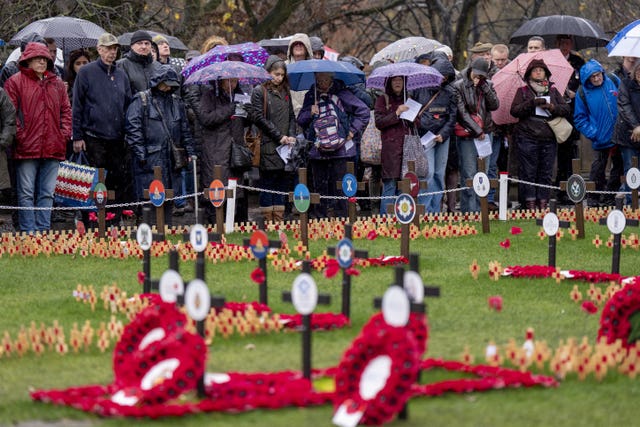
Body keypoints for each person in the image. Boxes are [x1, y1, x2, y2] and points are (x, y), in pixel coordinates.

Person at [4, 42, 71, 233]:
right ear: (28, 60)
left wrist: (63, 133)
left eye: (45, 59)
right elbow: (10, 114)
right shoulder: (15, 82)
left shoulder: (57, 83)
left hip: (53, 145)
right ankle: (28, 231)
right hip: (26, 146)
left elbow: (66, 110)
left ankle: (43, 230)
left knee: (47, 193)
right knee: (25, 192)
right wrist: (21, 135)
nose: (42, 62)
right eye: (38, 59)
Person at [72, 33, 132, 219]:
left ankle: (114, 218)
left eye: (114, 49)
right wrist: (78, 135)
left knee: (117, 181)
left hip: (117, 137)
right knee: (95, 182)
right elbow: (77, 105)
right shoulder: (86, 72)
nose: (111, 52)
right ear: (99, 49)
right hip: (93, 136)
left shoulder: (121, 74)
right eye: (107, 48)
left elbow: (128, 104)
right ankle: (91, 218)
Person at [125, 65, 195, 224]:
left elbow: (184, 129)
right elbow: (133, 127)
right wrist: (141, 153)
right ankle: (147, 229)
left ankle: (167, 228)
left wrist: (190, 152)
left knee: (169, 196)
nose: (168, 86)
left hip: (171, 159)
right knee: (149, 197)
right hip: (150, 157)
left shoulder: (176, 102)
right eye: (165, 82)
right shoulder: (141, 99)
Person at [298, 72, 369, 218]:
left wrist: (351, 132)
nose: (322, 83)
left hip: (341, 150)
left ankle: (343, 219)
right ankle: (320, 220)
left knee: (341, 188)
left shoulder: (343, 93)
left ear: (332, 79)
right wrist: (310, 112)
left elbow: (363, 112)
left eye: (325, 79)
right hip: (318, 151)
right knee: (320, 188)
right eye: (319, 80)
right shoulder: (311, 95)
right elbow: (301, 120)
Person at [510, 59, 570, 210]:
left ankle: (543, 202)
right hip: (527, 137)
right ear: (529, 74)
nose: (538, 72)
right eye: (535, 70)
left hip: (548, 137)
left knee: (546, 172)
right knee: (528, 172)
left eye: (541, 70)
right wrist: (532, 103)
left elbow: (566, 110)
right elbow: (514, 111)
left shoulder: (553, 90)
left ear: (546, 73)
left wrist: (552, 106)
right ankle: (529, 204)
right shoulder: (522, 91)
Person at [250, 56, 296, 222]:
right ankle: (268, 219)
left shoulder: (285, 91)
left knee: (282, 183)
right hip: (268, 145)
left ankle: (279, 218)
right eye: (276, 74)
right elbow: (259, 119)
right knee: (268, 183)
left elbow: (291, 115)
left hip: (285, 147)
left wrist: (290, 135)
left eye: (282, 75)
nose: (279, 77)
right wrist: (279, 136)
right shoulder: (259, 91)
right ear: (268, 72)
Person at [452, 57, 499, 213]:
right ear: (470, 69)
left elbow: (494, 105)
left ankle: (481, 209)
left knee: (483, 173)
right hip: (468, 134)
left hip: (486, 133)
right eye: (476, 74)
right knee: (469, 173)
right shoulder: (459, 86)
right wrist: (476, 130)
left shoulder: (488, 85)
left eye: (481, 75)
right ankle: (469, 210)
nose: (477, 77)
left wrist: (485, 88)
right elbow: (462, 113)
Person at [413, 53, 457, 213]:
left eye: (446, 77)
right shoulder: (419, 90)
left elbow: (452, 116)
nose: (443, 79)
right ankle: (424, 209)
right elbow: (413, 112)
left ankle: (435, 209)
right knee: (429, 173)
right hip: (424, 137)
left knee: (439, 174)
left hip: (441, 138)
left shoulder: (450, 92)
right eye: (441, 76)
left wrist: (443, 134)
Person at [574, 59, 622, 208]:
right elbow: (579, 118)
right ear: (587, 79)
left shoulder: (614, 80)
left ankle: (609, 196)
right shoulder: (582, 92)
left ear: (602, 73)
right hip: (600, 137)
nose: (596, 78)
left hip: (619, 135)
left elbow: (625, 100)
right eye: (592, 77)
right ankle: (594, 198)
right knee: (597, 170)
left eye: (598, 75)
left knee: (619, 167)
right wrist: (594, 133)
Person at [554, 35, 585, 205]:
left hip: (573, 112)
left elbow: (585, 83)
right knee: (556, 153)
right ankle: (557, 190)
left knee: (570, 153)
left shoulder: (578, 62)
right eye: (561, 43)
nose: (564, 46)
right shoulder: (550, 61)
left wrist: (576, 94)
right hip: (555, 112)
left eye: (567, 43)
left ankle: (570, 190)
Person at [615, 61, 640, 205]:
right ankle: (632, 204)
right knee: (631, 170)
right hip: (628, 134)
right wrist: (636, 126)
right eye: (638, 71)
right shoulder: (625, 84)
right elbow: (624, 106)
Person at [117, 30, 163, 94]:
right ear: (132, 46)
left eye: (147, 43)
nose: (144, 47)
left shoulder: (158, 66)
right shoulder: (121, 65)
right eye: (139, 43)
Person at [286, 33, 313, 116]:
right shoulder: (284, 67)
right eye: (295, 44)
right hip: (288, 114)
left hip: (309, 114)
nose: (298, 46)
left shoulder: (314, 68)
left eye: (301, 44)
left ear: (307, 47)